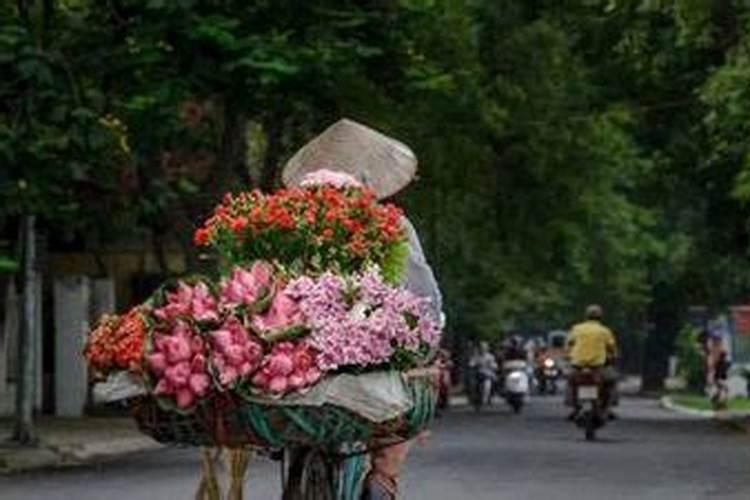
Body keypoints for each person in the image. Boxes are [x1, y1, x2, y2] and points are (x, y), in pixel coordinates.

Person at [282, 119, 443, 500]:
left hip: (292, 346)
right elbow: (423, 294)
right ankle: (384, 477)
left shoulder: (291, 223)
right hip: (366, 344)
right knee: (409, 384)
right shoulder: (391, 224)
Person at [566, 305, 618, 420]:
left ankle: (574, 407)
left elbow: (569, 344)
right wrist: (614, 357)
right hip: (597, 367)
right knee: (611, 382)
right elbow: (612, 348)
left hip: (578, 365)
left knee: (571, 382)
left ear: (585, 316)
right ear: (600, 317)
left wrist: (570, 355)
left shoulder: (577, 329)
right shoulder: (604, 331)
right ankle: (607, 408)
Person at [469, 341, 498, 406]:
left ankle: (491, 396)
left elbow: (494, 364)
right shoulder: (476, 356)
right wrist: (473, 364)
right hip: (478, 374)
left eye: (484, 347)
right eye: (481, 347)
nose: (483, 349)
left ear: (487, 348)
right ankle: (473, 397)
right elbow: (471, 363)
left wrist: (493, 366)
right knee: (472, 384)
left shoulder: (490, 356)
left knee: (495, 381)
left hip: (488, 374)